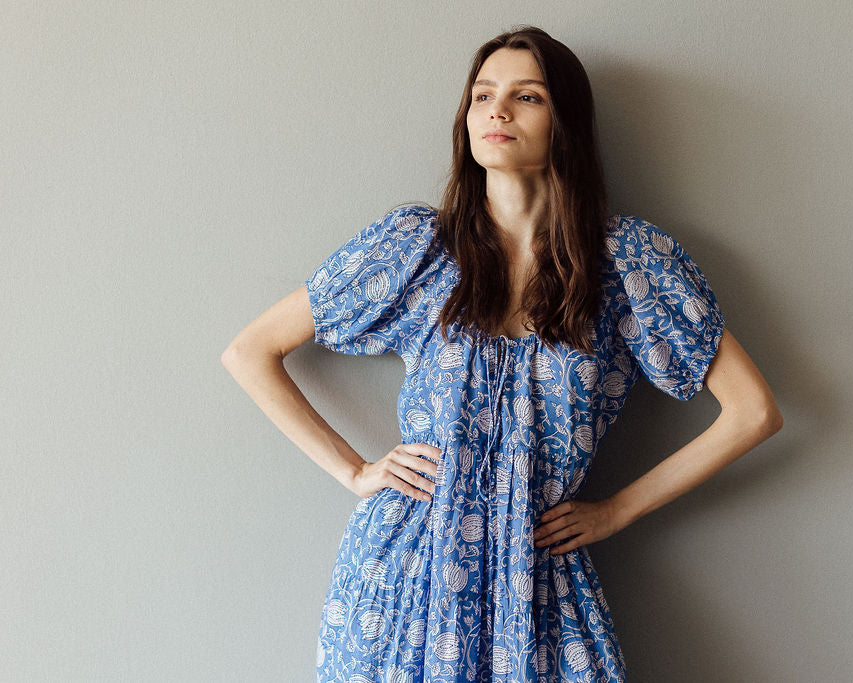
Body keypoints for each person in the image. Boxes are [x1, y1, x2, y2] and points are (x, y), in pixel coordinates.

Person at [221, 24, 782, 683]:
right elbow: (250, 351)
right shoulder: (418, 250)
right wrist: (354, 471)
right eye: (482, 94)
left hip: (540, 578)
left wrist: (615, 510)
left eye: (527, 96)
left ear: (564, 121)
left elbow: (754, 412)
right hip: (408, 578)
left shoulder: (626, 264)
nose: (497, 109)